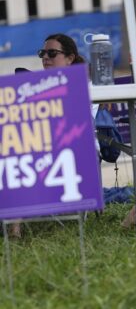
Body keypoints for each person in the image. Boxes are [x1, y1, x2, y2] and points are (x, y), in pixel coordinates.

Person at [9, 34, 91, 238]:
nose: (45, 58)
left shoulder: (85, 86)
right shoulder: (36, 87)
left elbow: (83, 127)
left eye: (52, 53)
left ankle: (14, 226)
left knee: (20, 151)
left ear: (70, 58)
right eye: (42, 53)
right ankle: (14, 226)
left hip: (75, 148)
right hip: (41, 144)